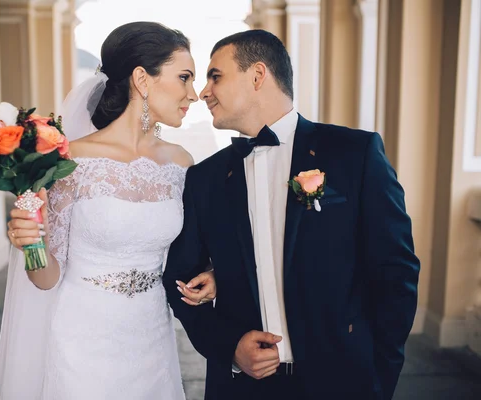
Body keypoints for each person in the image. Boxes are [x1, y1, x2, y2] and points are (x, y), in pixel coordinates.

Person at [164, 29, 420, 400]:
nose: (203, 92)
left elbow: (395, 272)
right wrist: (228, 347)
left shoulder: (354, 154)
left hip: (342, 382)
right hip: (241, 387)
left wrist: (378, 377)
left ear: (257, 76)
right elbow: (181, 280)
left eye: (215, 76)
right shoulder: (206, 178)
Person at [0, 21, 216, 400]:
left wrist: (210, 272)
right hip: (82, 340)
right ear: (142, 79)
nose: (193, 94)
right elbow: (46, 279)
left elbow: (188, 252)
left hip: (152, 337)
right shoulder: (73, 160)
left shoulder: (181, 163)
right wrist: (31, 243)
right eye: (184, 78)